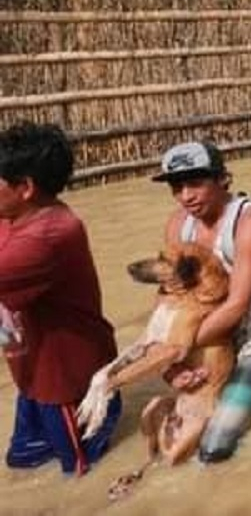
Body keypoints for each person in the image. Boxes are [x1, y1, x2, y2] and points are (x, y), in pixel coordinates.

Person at [0, 123, 120, 476]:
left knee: (80, 477)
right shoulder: (18, 214)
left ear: (25, 188)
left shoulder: (48, 236)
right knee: (22, 461)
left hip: (68, 385)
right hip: (31, 370)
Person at [154, 140, 251, 463]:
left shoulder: (248, 221)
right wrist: (171, 367)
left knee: (215, 447)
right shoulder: (177, 226)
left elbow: (238, 306)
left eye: (196, 183)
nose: (186, 196)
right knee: (168, 441)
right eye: (177, 187)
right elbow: (168, 298)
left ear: (223, 179)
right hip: (203, 340)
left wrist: (178, 346)